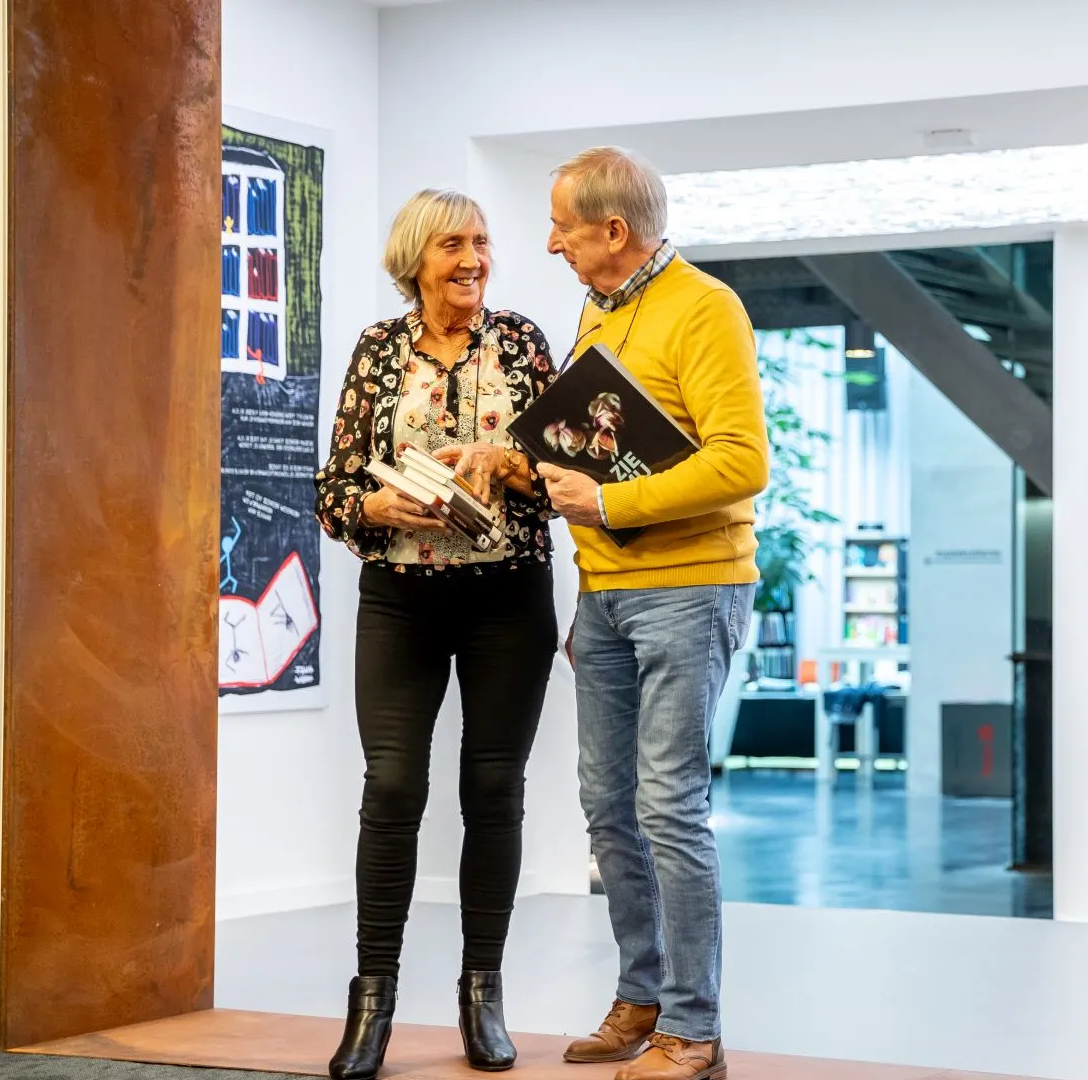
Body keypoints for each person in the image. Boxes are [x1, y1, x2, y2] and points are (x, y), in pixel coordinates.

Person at [315, 189, 560, 1079]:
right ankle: (372, 1001)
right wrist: (372, 505)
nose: (474, 259)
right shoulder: (378, 351)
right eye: (454, 243)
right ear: (416, 256)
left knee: (493, 791)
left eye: (483, 243)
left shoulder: (525, 341)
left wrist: (507, 463)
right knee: (391, 789)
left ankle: (482, 993)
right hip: (400, 598)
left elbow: (567, 465)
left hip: (509, 601)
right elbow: (336, 488)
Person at [538, 146, 767, 1080]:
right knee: (606, 807)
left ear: (613, 231)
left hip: (691, 588)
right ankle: (643, 996)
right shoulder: (598, 309)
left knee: (669, 806)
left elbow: (741, 460)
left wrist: (609, 508)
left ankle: (695, 1028)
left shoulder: (706, 307)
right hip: (610, 598)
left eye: (562, 227)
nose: (551, 244)